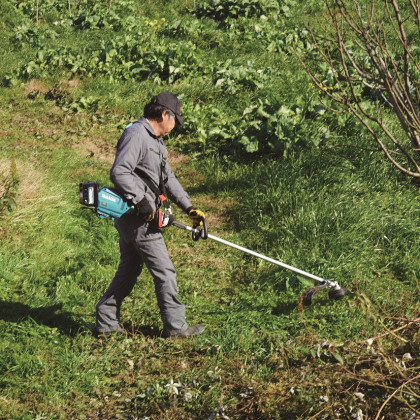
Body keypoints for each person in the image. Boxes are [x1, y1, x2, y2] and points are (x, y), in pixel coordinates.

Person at [96, 92, 206, 338]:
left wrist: (189, 208)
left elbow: (168, 179)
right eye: (175, 119)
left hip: (137, 220)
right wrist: (145, 205)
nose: (175, 125)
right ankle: (177, 329)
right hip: (137, 220)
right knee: (165, 272)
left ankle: (105, 321)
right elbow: (119, 172)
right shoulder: (136, 135)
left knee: (129, 270)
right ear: (165, 114)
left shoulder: (155, 141)